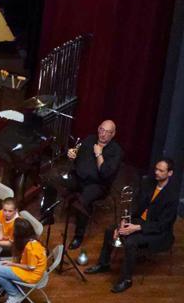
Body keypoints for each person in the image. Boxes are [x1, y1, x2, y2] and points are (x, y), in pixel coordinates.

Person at [87, 157, 178, 293]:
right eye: (156, 169)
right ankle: (103, 264)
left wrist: (135, 228)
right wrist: (124, 221)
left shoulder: (172, 196)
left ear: (170, 173)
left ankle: (126, 280)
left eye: (161, 171)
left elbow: (162, 225)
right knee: (110, 230)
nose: (157, 173)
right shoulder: (149, 183)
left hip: (158, 232)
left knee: (131, 241)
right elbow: (137, 205)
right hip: (140, 221)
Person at [64, 119, 123, 249]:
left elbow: (105, 174)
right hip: (79, 178)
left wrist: (99, 153)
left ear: (113, 134)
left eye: (107, 132)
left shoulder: (116, 151)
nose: (103, 134)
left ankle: (78, 236)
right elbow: (76, 158)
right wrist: (71, 155)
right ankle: (48, 215)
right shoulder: (89, 139)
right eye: (101, 130)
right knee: (53, 179)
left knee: (83, 201)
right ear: (98, 129)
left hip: (98, 185)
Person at [0, 217, 47, 303]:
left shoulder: (31, 247)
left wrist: (12, 264)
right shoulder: (31, 241)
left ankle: (15, 294)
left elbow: (31, 267)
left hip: (31, 275)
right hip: (27, 269)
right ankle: (13, 292)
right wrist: (11, 263)